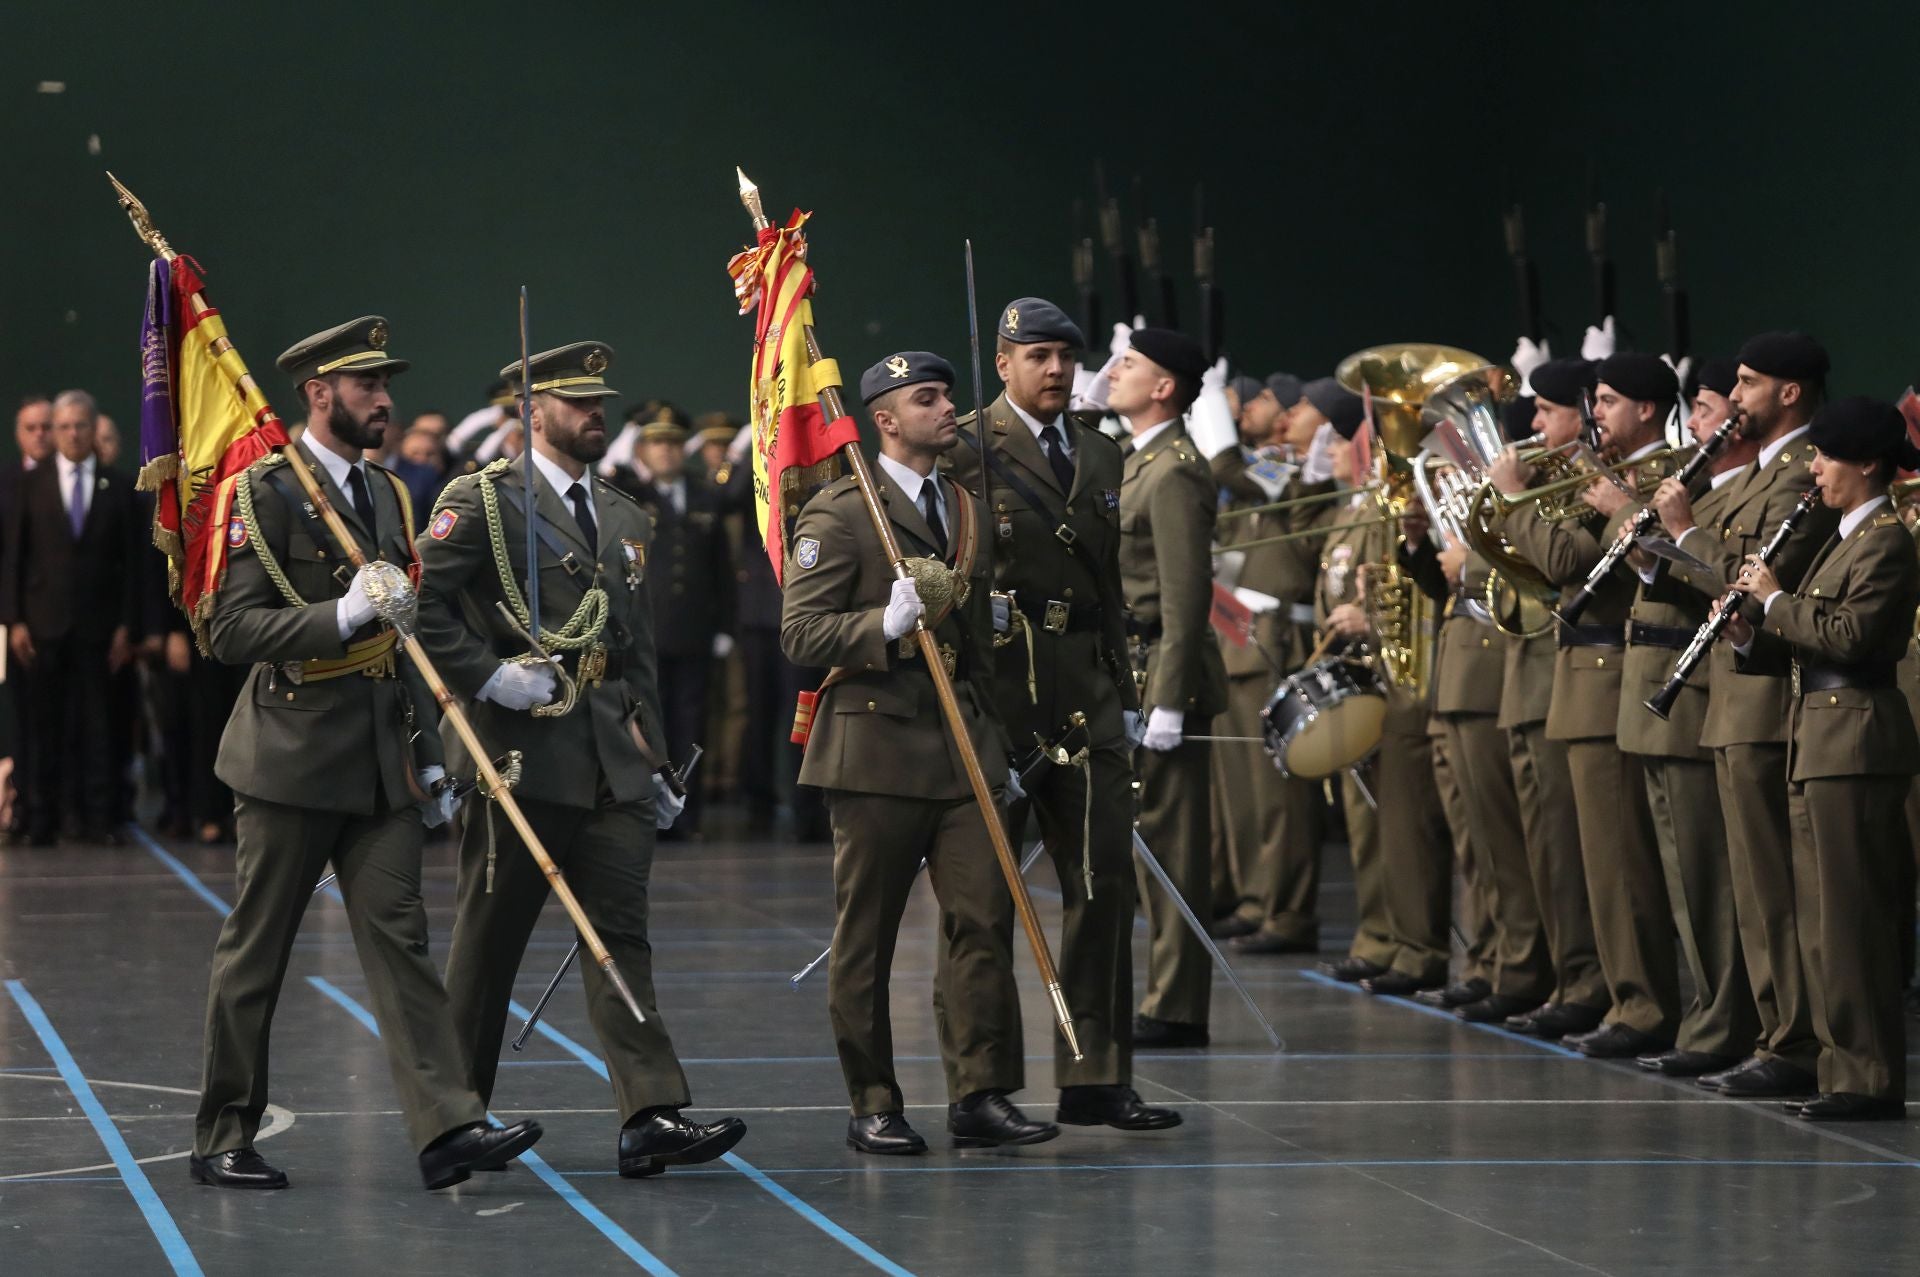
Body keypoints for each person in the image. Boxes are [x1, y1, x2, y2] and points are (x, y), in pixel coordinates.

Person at [189, 317, 540, 1191]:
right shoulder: (266, 491)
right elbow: (227, 628)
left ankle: (448, 1125)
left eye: (385, 384)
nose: (385, 399)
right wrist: (338, 616)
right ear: (319, 393)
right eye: (367, 386)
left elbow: (408, 637)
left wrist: (427, 750)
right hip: (291, 754)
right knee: (257, 951)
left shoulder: (389, 496)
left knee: (403, 943)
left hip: (382, 762)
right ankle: (224, 1130)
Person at [416, 340, 747, 1177]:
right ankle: (452, 1121)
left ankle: (649, 1112)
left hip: (611, 762)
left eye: (601, 400)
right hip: (522, 756)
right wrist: (488, 675)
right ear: (531, 411)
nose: (595, 414)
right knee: (488, 947)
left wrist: (659, 764)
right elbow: (417, 606)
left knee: (620, 938)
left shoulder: (626, 512)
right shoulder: (484, 500)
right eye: (576, 401)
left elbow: (635, 652)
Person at [782, 350, 1051, 1154]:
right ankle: (873, 1098)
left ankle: (981, 1091)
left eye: (945, 396)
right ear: (885, 419)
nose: (946, 410)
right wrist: (882, 627)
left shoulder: (967, 507)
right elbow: (802, 632)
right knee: (868, 934)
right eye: (926, 399)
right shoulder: (839, 513)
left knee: (983, 919)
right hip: (875, 749)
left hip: (963, 745)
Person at [943, 298, 1178, 1130]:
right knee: (985, 897)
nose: (1055, 370)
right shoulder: (964, 448)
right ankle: (982, 1087)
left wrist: (1125, 687)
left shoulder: (1102, 454)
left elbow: (1110, 584)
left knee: (1100, 880)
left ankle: (1096, 1075)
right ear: (1002, 361)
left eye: (1065, 356)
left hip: (1085, 685)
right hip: (998, 686)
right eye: (1036, 355)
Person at [1647, 331, 1840, 1098]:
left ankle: (1792, 1038)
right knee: (1752, 888)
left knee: (1774, 886)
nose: (1738, 398)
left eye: (1749, 383)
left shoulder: (1804, 471)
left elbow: (1767, 578)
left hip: (1765, 700)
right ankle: (1772, 1030)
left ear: (1789, 393)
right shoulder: (1764, 468)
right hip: (1732, 694)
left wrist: (1690, 534)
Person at [1725, 396, 1920, 1121]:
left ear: (1867, 462)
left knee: (1854, 916)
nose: (1815, 466)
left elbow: (1850, 635)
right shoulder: (1843, 536)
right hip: (1822, 735)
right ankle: (1842, 1068)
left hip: (1857, 736)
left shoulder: (1887, 540)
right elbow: (1810, 634)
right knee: (1820, 917)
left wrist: (1775, 603)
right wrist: (1751, 630)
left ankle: (1868, 1077)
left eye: (1826, 455)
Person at [1492, 351, 1681, 1058]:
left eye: (1604, 401)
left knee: (1619, 858)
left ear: (1645, 409)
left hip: (1614, 672)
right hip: (1581, 673)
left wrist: (1512, 499)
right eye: (1593, 402)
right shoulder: (1607, 476)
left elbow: (1570, 562)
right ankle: (1609, 989)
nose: (1594, 414)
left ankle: (1640, 1001)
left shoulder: (1657, 476)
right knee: (1586, 857)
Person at [1616, 357, 1762, 1077]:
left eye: (1704, 408)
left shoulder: (1755, 485)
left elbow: (1734, 583)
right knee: (1685, 872)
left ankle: (1723, 1020)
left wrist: (1678, 530)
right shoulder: (1715, 485)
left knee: (1710, 874)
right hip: (1684, 690)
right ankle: (1709, 1017)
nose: (1698, 423)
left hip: (1715, 692)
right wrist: (1651, 553)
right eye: (1705, 406)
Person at [1114, 328, 1230, 1045]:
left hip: (1165, 673)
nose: (1112, 371)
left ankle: (1179, 1005)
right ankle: (1163, 992)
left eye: (1130, 364)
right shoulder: (1141, 460)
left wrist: (1167, 699)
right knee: (1147, 847)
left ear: (1164, 387)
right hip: (1136, 669)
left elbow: (1187, 598)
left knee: (1174, 849)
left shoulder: (1175, 469)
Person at [1489, 367, 1608, 1039]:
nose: (1535, 425)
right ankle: (1568, 977)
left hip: (1574, 674)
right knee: (1541, 848)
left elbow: (1564, 560)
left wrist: (1512, 501)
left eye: (1547, 410)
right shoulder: (1548, 483)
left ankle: (1587, 981)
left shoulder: (1593, 484)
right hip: (1540, 673)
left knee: (1571, 850)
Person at [0, 389, 142, 844]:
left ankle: (97, 819)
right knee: (43, 729)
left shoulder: (116, 485)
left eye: (81, 425)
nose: (72, 434)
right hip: (41, 628)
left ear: (93, 427)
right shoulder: (29, 482)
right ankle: (42, 819)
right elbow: (14, 559)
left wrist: (127, 625)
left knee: (98, 727)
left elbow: (132, 566)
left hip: (99, 630)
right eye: (63, 426)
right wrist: (14, 621)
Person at [625, 412, 734, 837]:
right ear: (643, 451)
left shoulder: (706, 494)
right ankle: (649, 810)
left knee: (692, 724)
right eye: (657, 443)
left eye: (673, 443)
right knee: (650, 724)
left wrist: (726, 625)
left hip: (695, 629)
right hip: (648, 631)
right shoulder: (630, 495)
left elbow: (722, 567)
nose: (666, 450)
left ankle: (688, 812)